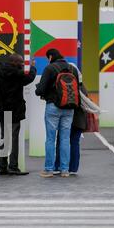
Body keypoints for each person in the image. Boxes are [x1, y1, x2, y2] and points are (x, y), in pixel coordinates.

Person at [35, 49, 80, 178]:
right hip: (69, 107)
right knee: (65, 139)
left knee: (50, 139)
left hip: (53, 107)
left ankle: (49, 169)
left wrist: (38, 89)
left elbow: (41, 89)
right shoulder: (72, 69)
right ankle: (65, 170)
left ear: (50, 57)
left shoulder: (50, 68)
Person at [0, 54, 36, 176]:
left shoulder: (0, 71)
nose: (22, 65)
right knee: (14, 139)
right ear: (15, 63)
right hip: (14, 109)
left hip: (3, 109)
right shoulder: (16, 73)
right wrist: (33, 67)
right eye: (21, 63)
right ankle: (13, 166)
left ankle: (2, 166)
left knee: (4, 138)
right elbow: (29, 78)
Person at [54, 65, 88, 176]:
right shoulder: (81, 86)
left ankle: (58, 166)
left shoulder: (61, 83)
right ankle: (73, 168)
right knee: (74, 143)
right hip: (79, 119)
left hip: (65, 117)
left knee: (62, 141)